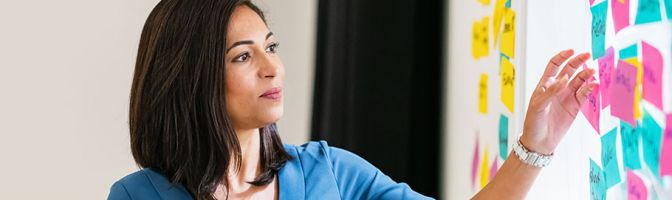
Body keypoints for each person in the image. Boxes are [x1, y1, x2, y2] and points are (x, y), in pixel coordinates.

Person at [107, 0, 598, 199]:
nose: (271, 66)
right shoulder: (138, 195)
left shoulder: (331, 172)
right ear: (192, 77)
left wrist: (537, 145)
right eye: (242, 56)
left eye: (270, 47)